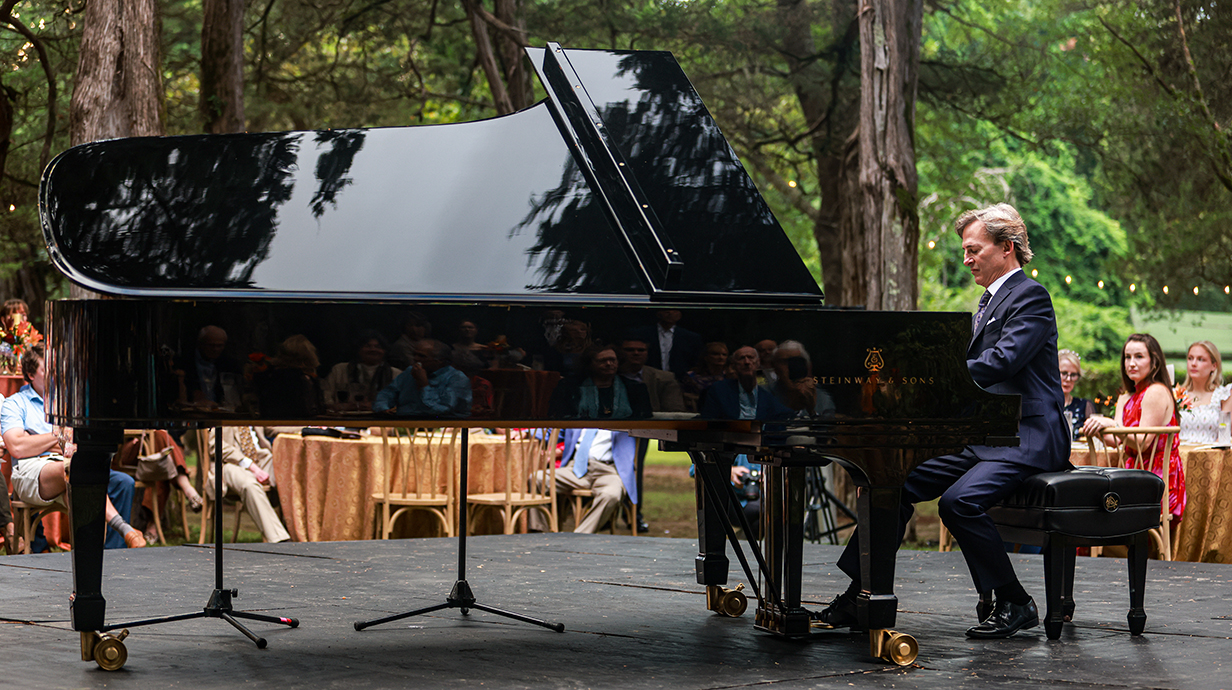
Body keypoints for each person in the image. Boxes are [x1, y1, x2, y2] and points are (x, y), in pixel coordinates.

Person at [820, 203, 1069, 639]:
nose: (967, 258)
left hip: (1025, 435)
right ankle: (863, 594)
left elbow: (999, 362)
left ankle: (1015, 600)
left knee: (958, 502)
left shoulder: (1031, 296)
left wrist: (927, 380)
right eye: (965, 251)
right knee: (889, 483)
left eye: (974, 250)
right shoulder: (988, 301)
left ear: (1006, 247)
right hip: (986, 436)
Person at [1, 345, 146, 549]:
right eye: (48, 370)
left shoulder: (69, 404)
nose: (56, 375)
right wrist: (57, 435)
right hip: (31, 472)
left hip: (73, 464)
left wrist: (35, 440)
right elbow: (16, 447)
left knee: (123, 482)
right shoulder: (15, 404)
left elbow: (80, 444)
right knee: (72, 470)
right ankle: (123, 528)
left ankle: (114, 557)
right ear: (31, 374)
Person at [1083, 334, 1187, 522]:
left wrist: (1113, 424)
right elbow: (1116, 442)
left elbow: (1143, 443)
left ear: (1154, 361)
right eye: (1127, 357)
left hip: (1156, 481)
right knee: (1088, 500)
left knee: (1093, 503)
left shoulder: (1156, 391)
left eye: (1139, 356)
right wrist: (1097, 429)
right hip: (1131, 475)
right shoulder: (1125, 397)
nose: (1131, 363)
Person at [531, 429, 639, 534]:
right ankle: (540, 532)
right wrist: (525, 432)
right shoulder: (580, 415)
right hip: (576, 468)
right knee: (536, 478)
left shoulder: (623, 416)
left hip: (608, 470)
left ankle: (580, 535)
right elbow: (552, 429)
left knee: (611, 494)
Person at [205, 427, 291, 543]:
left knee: (289, 474)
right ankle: (280, 541)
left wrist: (310, 426)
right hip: (230, 463)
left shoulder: (253, 410)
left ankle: (302, 534)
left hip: (261, 459)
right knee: (249, 484)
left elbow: (275, 425)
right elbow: (215, 445)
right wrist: (250, 465)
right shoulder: (220, 410)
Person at [547, 344, 652, 420]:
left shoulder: (635, 388)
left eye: (612, 360)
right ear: (589, 364)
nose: (609, 364)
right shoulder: (569, 387)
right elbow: (559, 415)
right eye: (602, 361)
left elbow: (644, 418)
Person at [373, 339, 471, 418]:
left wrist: (424, 385)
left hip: (442, 426)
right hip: (405, 421)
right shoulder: (410, 372)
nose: (416, 359)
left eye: (422, 356)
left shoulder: (457, 378)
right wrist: (383, 407)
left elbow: (441, 410)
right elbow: (388, 392)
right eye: (414, 354)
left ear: (439, 361)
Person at [700, 346, 793, 421]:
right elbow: (708, 420)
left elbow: (784, 415)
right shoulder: (719, 390)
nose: (747, 362)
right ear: (734, 365)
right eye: (741, 358)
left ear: (758, 363)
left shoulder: (767, 394)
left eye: (750, 357)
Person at [322, 330, 401, 412]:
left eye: (378, 347)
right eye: (367, 346)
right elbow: (325, 398)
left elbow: (403, 403)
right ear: (358, 349)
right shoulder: (339, 370)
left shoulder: (396, 374)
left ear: (384, 351)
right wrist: (342, 407)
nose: (373, 350)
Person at [254, 334, 324, 418]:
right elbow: (311, 410)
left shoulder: (269, 376)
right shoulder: (304, 380)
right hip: (301, 425)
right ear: (308, 356)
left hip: (271, 424)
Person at [1176, 340, 1232, 444]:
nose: (1193, 363)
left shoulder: (1224, 395)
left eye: (1201, 359)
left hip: (1210, 456)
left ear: (1214, 366)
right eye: (1190, 358)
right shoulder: (1176, 394)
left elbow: (1224, 437)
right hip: (1177, 457)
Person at [178, 325, 244, 409]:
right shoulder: (185, 362)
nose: (215, 349)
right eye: (211, 345)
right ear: (200, 344)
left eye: (219, 346)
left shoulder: (229, 365)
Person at [629, 309, 703, 382]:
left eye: (674, 310)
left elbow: (695, 359)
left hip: (679, 380)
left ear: (680, 315)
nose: (670, 312)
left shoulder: (690, 337)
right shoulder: (642, 333)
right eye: (666, 309)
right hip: (646, 378)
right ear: (658, 313)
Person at [682, 341, 730, 412]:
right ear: (706, 357)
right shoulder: (692, 377)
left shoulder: (729, 376)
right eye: (716, 354)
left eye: (724, 355)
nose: (721, 357)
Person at [1058, 349, 1095, 442]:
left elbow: (1095, 439)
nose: (1068, 379)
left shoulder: (1085, 405)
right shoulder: (1045, 404)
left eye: (1073, 374)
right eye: (1064, 373)